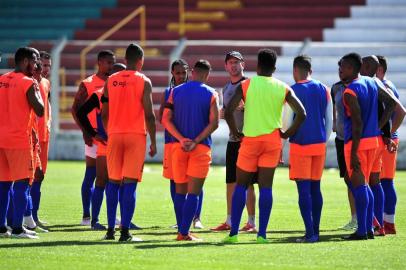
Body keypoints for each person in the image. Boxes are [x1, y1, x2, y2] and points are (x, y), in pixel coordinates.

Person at [223, 49, 306, 243]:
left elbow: (228, 111)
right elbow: (301, 113)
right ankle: (262, 235)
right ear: (275, 68)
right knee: (266, 188)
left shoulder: (247, 84)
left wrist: (236, 133)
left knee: (241, 186)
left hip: (250, 141)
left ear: (257, 65)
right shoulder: (282, 87)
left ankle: (234, 234)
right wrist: (287, 133)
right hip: (272, 142)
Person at [339, 53, 403, 240]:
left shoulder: (350, 91)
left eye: (342, 67)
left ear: (352, 68)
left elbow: (357, 122)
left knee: (360, 186)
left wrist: (353, 153)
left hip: (358, 143)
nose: (340, 70)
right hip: (375, 143)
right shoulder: (373, 82)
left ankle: (363, 231)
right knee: (371, 185)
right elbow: (391, 103)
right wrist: (378, 127)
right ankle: (372, 228)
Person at [101, 43, 156, 242]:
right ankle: (125, 232)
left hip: (114, 135)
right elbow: (149, 115)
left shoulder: (110, 80)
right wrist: (153, 142)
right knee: (130, 183)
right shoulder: (144, 81)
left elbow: (103, 113)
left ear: (125, 60)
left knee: (113, 182)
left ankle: (109, 230)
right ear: (141, 61)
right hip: (135, 136)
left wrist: (110, 131)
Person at [162, 60, 219, 241]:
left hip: (178, 148)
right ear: (207, 75)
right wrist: (195, 141)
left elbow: (165, 119)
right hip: (200, 148)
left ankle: (182, 231)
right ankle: (184, 232)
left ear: (192, 72)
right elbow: (215, 123)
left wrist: (181, 139)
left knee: (180, 192)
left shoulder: (175, 92)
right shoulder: (212, 94)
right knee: (193, 193)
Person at [286, 55, 333, 242]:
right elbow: (329, 120)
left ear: (295, 70)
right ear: (310, 71)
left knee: (303, 190)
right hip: (319, 144)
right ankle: (316, 231)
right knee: (316, 188)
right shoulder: (324, 89)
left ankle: (309, 233)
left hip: (300, 145)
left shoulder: (292, 90)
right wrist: (324, 139)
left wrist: (283, 143)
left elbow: (287, 121)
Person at [0, 47, 44, 239]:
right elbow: (40, 109)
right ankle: (17, 228)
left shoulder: (2, 79)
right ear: (26, 61)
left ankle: (2, 227)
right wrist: (37, 85)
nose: (36, 66)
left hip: (1, 138)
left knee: (2, 184)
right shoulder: (28, 82)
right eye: (35, 61)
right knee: (22, 183)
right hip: (19, 139)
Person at [211, 51, 257, 233]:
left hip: (247, 139)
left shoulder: (249, 85)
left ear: (243, 65)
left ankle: (251, 221)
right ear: (225, 66)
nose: (234, 65)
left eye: (237, 62)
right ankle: (230, 219)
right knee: (230, 181)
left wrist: (246, 108)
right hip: (233, 139)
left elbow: (254, 108)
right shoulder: (226, 88)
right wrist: (222, 113)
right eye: (230, 62)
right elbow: (227, 112)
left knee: (249, 182)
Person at [72, 50, 116, 225]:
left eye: (113, 63)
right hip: (94, 136)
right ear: (99, 62)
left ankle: (109, 216)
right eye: (108, 63)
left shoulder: (116, 83)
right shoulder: (88, 83)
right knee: (92, 174)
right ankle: (86, 215)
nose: (111, 66)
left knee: (111, 177)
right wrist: (87, 132)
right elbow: (76, 109)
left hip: (110, 136)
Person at [360, 55, 392, 236]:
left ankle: (369, 224)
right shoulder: (378, 83)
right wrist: (385, 132)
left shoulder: (368, 83)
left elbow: (395, 107)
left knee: (361, 182)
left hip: (369, 139)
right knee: (374, 182)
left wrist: (377, 128)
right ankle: (378, 224)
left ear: (366, 66)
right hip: (378, 138)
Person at [23, 53, 52, 232]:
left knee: (39, 177)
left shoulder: (46, 83)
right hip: (29, 137)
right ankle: (26, 217)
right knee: (27, 178)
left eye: (49, 65)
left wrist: (48, 124)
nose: (46, 68)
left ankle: (34, 215)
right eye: (44, 64)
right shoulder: (28, 82)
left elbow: (47, 106)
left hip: (44, 137)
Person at [376, 55, 402, 234]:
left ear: (379, 69)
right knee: (385, 181)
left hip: (386, 140)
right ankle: (387, 223)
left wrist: (390, 134)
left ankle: (385, 224)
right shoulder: (389, 84)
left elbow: (401, 111)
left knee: (382, 181)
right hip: (388, 138)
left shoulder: (384, 86)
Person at [331, 75, 357, 231]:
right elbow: (334, 106)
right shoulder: (336, 87)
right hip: (341, 138)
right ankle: (355, 218)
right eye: (340, 68)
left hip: (355, 139)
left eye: (345, 68)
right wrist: (334, 122)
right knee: (348, 178)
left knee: (357, 178)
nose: (342, 71)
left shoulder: (358, 86)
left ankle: (367, 217)